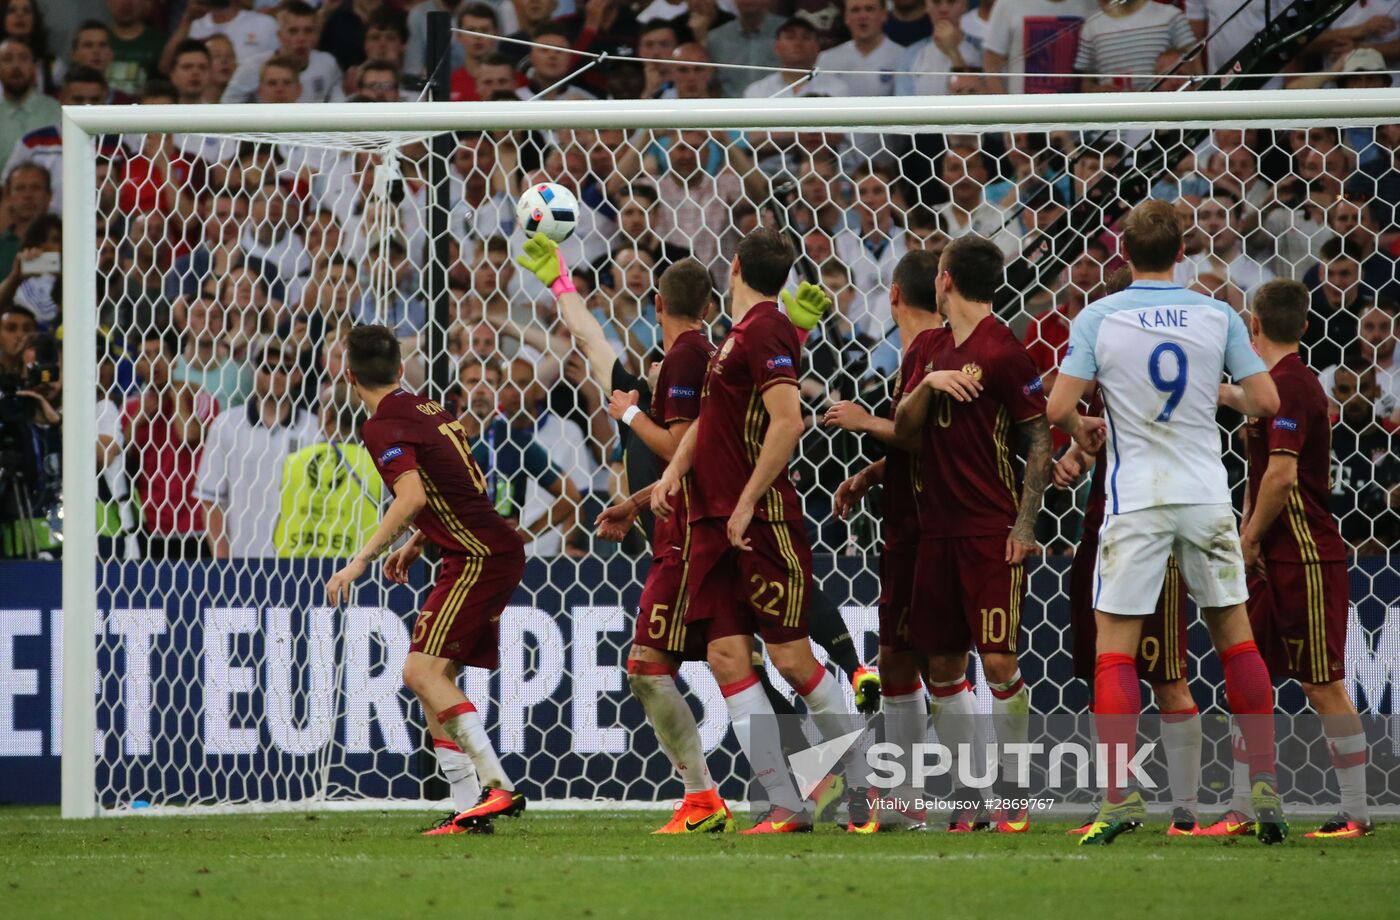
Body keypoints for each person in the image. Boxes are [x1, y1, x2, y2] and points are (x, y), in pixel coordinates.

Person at [1045, 199, 1285, 845]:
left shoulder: (1099, 316)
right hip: (1206, 492)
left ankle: (1120, 800)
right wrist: (1222, 392)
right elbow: (1267, 400)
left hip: (1137, 498)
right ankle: (1262, 786)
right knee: (1235, 639)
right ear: (1183, 252)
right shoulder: (1217, 313)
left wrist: (1084, 425)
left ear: (1122, 254)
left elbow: (1059, 404)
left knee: (1115, 652)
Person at [651, 229, 875, 834]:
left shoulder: (768, 328)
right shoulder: (737, 338)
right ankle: (786, 801)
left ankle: (868, 782)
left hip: (762, 519)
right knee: (726, 656)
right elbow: (713, 419)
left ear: (735, 266)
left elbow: (788, 422)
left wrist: (748, 501)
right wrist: (674, 470)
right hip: (722, 524)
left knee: (793, 659)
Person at [520, 234, 734, 832]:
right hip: (678, 539)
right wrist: (562, 285)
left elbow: (680, 454)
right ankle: (803, 785)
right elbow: (589, 338)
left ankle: (709, 797)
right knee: (738, 664)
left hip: (697, 542)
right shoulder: (639, 388)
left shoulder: (688, 388)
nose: (668, 372)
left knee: (679, 665)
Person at [325, 324, 528, 836]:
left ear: (349, 375)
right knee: (435, 681)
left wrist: (361, 560)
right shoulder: (431, 408)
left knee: (419, 675)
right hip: (482, 548)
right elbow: (467, 482)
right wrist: (420, 541)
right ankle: (467, 811)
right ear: (400, 370)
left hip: (478, 555)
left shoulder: (380, 428)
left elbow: (412, 496)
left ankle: (496, 785)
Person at [890, 236, 1052, 833]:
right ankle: (972, 794)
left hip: (989, 530)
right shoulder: (930, 348)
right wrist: (927, 387)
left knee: (1001, 660)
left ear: (946, 280)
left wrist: (1025, 525)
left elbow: (1039, 440)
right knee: (943, 668)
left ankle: (1011, 794)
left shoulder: (1005, 352)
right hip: (936, 532)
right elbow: (906, 431)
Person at [1215, 279, 1371, 840]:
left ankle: (1356, 810)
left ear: (1253, 327)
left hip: (1305, 557)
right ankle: (1242, 803)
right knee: (1247, 671)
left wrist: (1249, 538)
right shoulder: (1272, 386)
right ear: (1305, 326)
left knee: (1321, 682)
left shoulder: (1296, 389)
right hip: (1270, 557)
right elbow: (1243, 408)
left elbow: (1280, 476)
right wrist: (1212, 387)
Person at [1050, 271, 1203, 839]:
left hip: (1153, 525)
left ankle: (1185, 809)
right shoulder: (1109, 370)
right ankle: (1119, 798)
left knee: (1166, 673)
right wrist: (1076, 456)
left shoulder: (1168, 364)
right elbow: (1102, 435)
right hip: (1104, 525)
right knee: (1106, 668)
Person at [823, 248, 952, 829]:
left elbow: (932, 444)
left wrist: (863, 422)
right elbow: (922, 443)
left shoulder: (931, 352)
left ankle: (974, 800)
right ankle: (905, 801)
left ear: (894, 295)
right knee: (897, 665)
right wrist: (871, 474)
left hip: (933, 530)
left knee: (942, 668)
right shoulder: (921, 353)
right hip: (908, 525)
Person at [194, 339, 319, 559]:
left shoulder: (314, 429)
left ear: (298, 375)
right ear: (254, 371)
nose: (275, 375)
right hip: (242, 559)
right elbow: (210, 501)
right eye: (267, 368)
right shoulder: (226, 426)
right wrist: (223, 564)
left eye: (285, 369)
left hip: (299, 562)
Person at [273, 383, 383, 558]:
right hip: (358, 572)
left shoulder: (295, 461)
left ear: (327, 416)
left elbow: (276, 525)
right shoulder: (376, 465)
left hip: (296, 571)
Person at [221, 1, 344, 103]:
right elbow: (228, 104)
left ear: (317, 35)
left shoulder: (327, 63)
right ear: (280, 36)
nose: (301, 38)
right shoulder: (253, 66)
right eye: (293, 31)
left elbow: (339, 105)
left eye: (308, 31)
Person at [0, 38, 59, 167]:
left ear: (34, 67)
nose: (16, 65)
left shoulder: (55, 110)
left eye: (23, 58)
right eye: (7, 59)